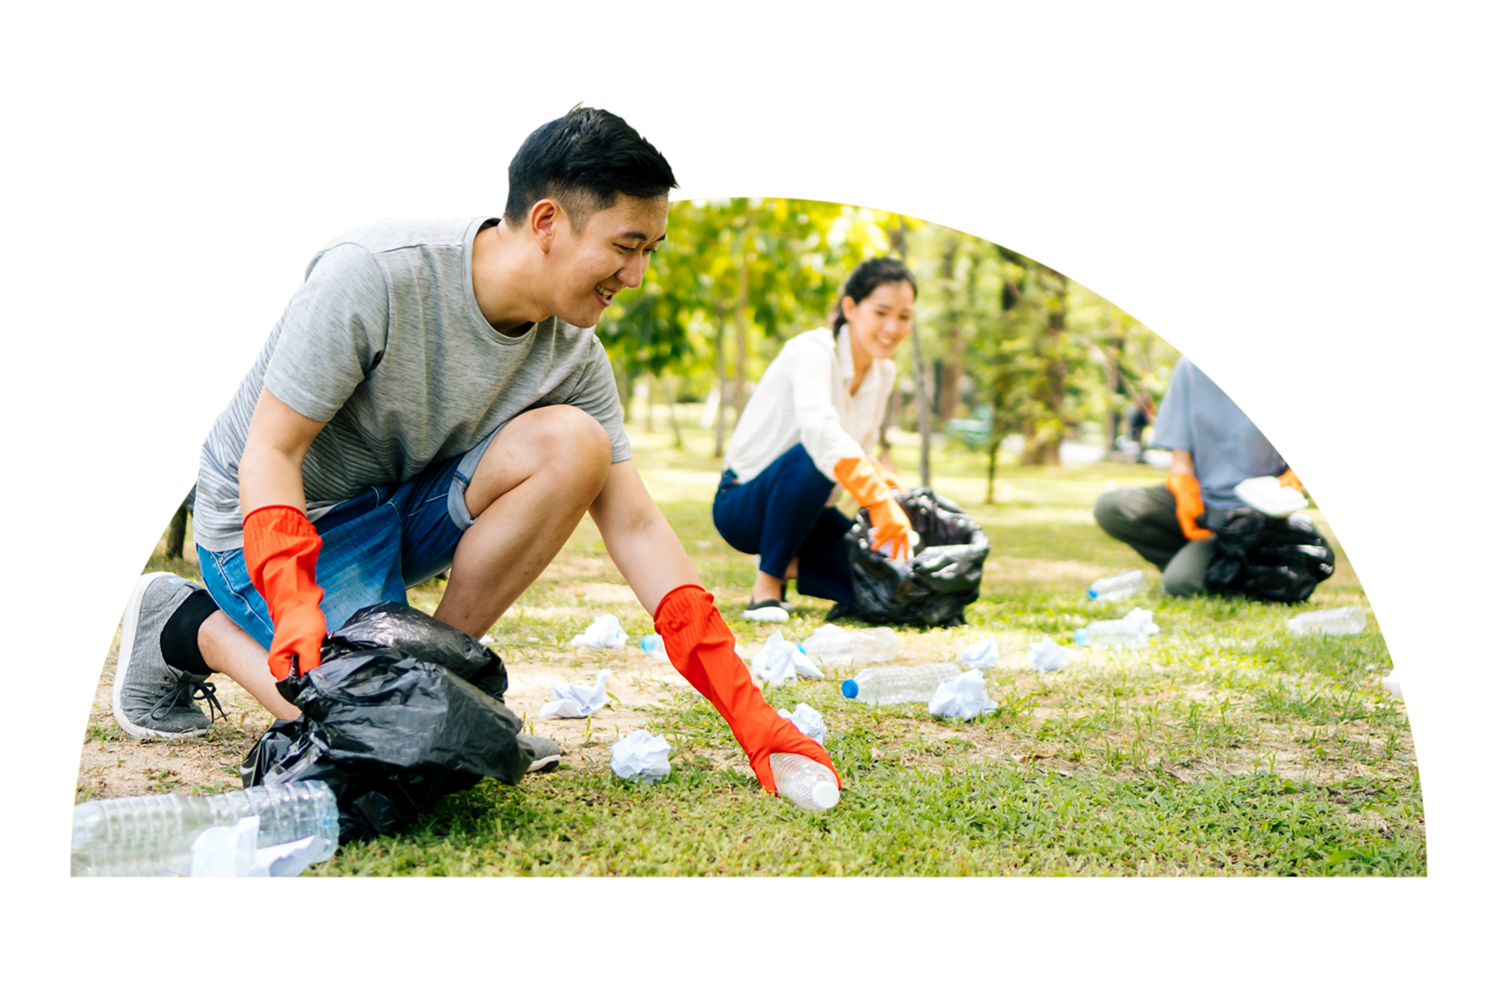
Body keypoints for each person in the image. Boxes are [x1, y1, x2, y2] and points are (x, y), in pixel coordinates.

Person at [112, 103, 835, 797]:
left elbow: (639, 527)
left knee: (574, 446)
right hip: (269, 521)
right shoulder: (375, 273)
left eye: (649, 250)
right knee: (384, 741)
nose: (637, 277)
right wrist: (293, 595)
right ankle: (188, 625)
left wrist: (750, 713)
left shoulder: (575, 358)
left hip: (394, 513)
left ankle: (435, 685)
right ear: (547, 221)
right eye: (624, 246)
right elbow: (270, 450)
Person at [712, 258, 917, 622]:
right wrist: (877, 497)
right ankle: (766, 589)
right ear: (850, 308)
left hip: (809, 513)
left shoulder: (884, 372)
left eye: (904, 316)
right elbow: (821, 433)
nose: (892, 327)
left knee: (884, 586)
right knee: (816, 450)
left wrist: (888, 488)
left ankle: (789, 562)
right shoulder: (812, 349)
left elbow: (858, 450)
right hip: (744, 505)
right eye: (882, 312)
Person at [1093, 355, 1308, 596]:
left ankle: (1220, 566)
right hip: (1204, 505)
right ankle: (1213, 562)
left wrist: (1292, 482)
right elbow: (1181, 457)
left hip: (1254, 514)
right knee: (1111, 507)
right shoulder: (1190, 368)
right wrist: (1185, 492)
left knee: (1180, 584)